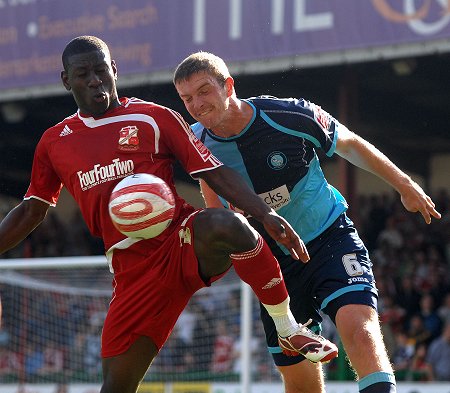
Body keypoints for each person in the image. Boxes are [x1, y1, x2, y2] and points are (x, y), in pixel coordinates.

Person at [0, 36, 338, 393]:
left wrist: (264, 213)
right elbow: (31, 210)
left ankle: (287, 328)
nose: (95, 80)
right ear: (67, 80)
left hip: (181, 240)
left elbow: (214, 171)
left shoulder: (154, 118)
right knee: (115, 387)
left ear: (114, 70)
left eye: (101, 70)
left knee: (228, 224)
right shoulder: (55, 141)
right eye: (83, 73)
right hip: (131, 270)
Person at [173, 51, 442, 393]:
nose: (197, 104)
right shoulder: (194, 143)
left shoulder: (288, 114)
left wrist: (404, 185)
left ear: (228, 86)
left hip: (329, 238)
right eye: (187, 98)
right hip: (273, 265)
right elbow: (219, 211)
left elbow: (349, 143)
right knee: (299, 381)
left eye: (204, 91)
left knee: (358, 330)